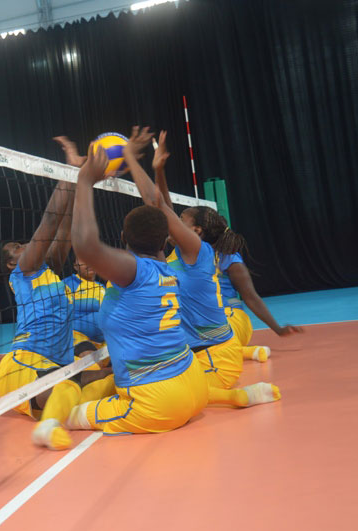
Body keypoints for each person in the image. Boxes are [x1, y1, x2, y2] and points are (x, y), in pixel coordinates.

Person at [64, 140, 209, 435]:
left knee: (61, 413)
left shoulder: (134, 271)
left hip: (158, 402)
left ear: (122, 238)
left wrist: (85, 180)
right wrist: (135, 159)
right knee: (98, 384)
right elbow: (159, 206)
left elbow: (86, 246)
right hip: (194, 383)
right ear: (165, 240)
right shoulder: (170, 270)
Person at [136, 128, 280, 407]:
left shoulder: (198, 255)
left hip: (216, 354)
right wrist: (159, 170)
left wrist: (134, 160)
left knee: (179, 397)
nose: (175, 222)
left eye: (182, 219)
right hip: (197, 351)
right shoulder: (181, 253)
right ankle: (244, 356)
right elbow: (163, 205)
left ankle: (239, 396)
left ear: (197, 231)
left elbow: (158, 206)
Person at [0, 137, 113, 451]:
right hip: (23, 366)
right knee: (66, 388)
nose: (24, 246)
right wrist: (71, 172)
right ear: (10, 262)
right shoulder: (25, 269)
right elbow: (50, 220)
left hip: (59, 364)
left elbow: (65, 224)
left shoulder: (51, 269)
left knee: (111, 380)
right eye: (16, 247)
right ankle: (52, 424)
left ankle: (65, 416)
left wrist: (78, 179)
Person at [217, 252, 304, 361]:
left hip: (232, 319)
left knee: (205, 338)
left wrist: (278, 329)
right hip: (202, 320)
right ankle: (244, 352)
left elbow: (251, 298)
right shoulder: (189, 262)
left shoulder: (227, 258)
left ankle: (237, 351)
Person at [63, 255, 106, 354]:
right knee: (92, 364)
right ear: (75, 266)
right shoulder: (68, 283)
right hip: (77, 337)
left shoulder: (102, 287)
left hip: (104, 339)